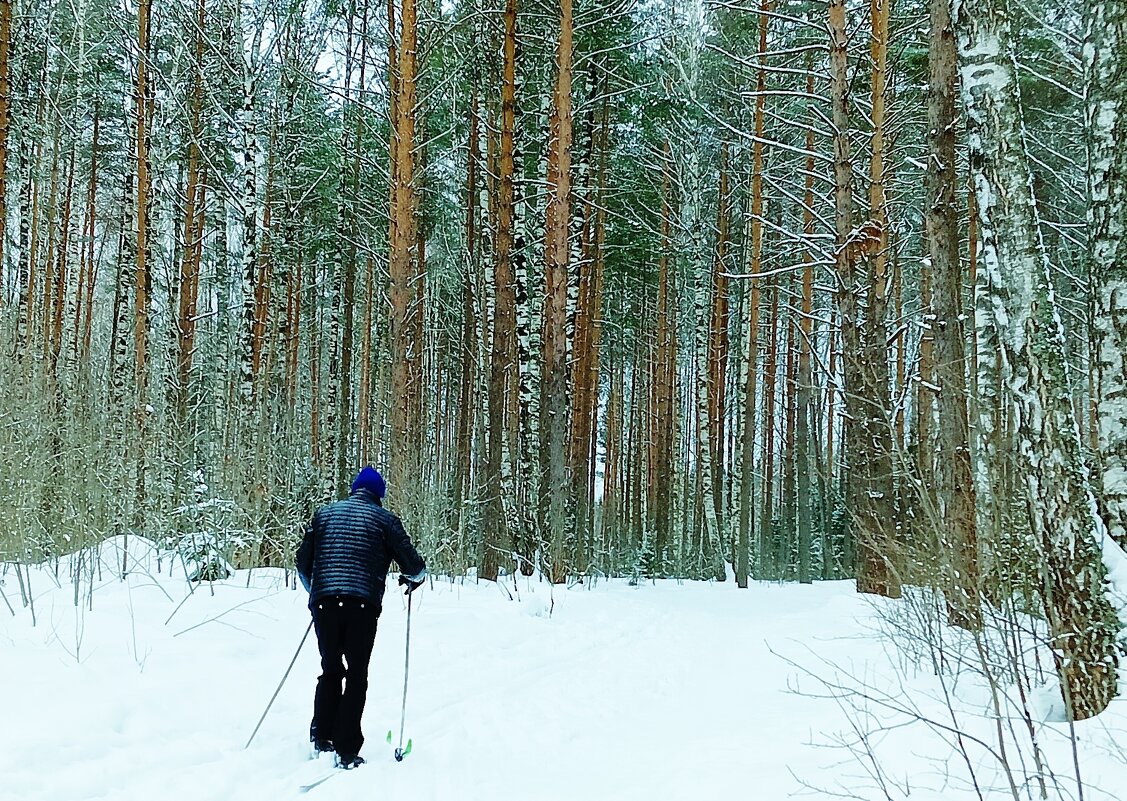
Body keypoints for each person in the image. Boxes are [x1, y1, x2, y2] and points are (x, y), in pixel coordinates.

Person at [296, 466, 427, 769]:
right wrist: (414, 579)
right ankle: (346, 748)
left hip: (325, 603)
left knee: (330, 668)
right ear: (379, 495)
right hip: (362, 605)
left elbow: (303, 562)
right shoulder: (385, 520)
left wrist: (317, 591)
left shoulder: (324, 514)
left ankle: (322, 735)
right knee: (357, 673)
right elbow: (414, 565)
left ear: (355, 489)